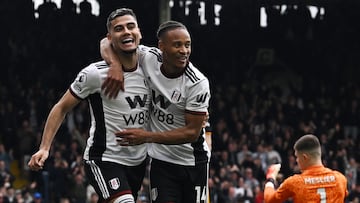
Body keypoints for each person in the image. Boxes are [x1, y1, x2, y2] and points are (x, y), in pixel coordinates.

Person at [28, 8, 151, 203]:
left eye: (131, 26)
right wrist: (44, 147)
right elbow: (61, 107)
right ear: (110, 38)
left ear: (140, 32)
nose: (126, 32)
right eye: (119, 29)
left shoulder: (152, 64)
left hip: (138, 162)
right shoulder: (94, 74)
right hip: (104, 159)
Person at [100, 20, 211, 203]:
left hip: (193, 162)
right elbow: (107, 42)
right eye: (177, 45)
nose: (184, 51)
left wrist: (147, 136)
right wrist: (114, 64)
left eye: (187, 45)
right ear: (161, 47)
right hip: (162, 161)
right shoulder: (148, 57)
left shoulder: (197, 83)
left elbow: (192, 133)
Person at [264, 134, 348, 202]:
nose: (296, 160)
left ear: (304, 157)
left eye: (297, 157)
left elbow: (269, 200)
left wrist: (270, 178)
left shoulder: (295, 183)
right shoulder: (340, 179)